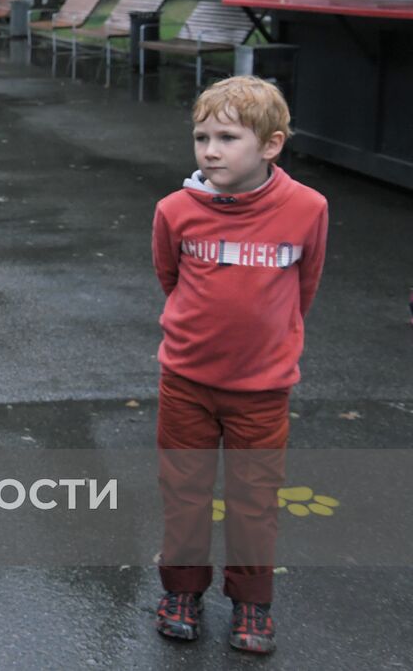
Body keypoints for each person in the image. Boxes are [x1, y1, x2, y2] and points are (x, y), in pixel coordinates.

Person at [150, 76, 327, 655]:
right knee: (185, 491)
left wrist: (270, 343)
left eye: (227, 137)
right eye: (201, 137)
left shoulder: (307, 209)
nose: (210, 150)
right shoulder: (175, 211)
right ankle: (182, 591)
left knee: (255, 500)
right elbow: (170, 279)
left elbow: (304, 288)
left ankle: (252, 602)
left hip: (262, 391)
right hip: (186, 383)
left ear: (271, 145)